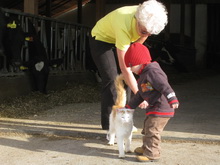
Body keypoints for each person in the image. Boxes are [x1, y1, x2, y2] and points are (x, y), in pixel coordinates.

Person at [89, 0, 168, 130]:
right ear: (137, 20)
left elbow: (139, 44)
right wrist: (140, 95)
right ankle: (110, 124)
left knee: (127, 82)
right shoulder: (123, 24)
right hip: (102, 39)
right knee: (112, 78)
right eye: (143, 32)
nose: (146, 36)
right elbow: (125, 68)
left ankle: (125, 122)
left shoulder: (148, 16)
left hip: (122, 39)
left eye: (150, 34)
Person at [124, 42, 179, 162]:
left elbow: (164, 86)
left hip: (161, 108)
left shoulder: (152, 72)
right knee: (148, 127)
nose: (130, 70)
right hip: (154, 108)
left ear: (138, 62)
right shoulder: (144, 76)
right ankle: (146, 147)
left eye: (130, 66)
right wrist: (129, 106)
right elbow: (141, 94)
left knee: (152, 130)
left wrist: (172, 98)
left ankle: (152, 154)